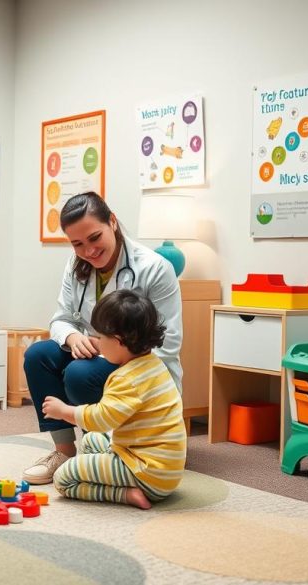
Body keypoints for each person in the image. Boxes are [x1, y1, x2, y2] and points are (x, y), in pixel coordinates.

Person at [22, 191, 182, 485]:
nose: (89, 251)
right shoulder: (75, 266)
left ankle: (106, 448)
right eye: (77, 244)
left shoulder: (155, 268)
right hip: (97, 353)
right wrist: (71, 337)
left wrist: (108, 349)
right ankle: (64, 451)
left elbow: (167, 343)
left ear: (113, 222)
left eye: (95, 237)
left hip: (139, 368)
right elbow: (60, 318)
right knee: (37, 355)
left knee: (79, 373)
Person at [43, 289, 186, 508]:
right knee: (92, 441)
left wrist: (64, 411)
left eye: (100, 337)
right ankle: (121, 476)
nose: (97, 342)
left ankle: (127, 494)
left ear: (118, 341)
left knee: (63, 478)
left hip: (146, 472)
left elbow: (101, 419)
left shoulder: (126, 379)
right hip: (165, 467)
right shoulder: (153, 364)